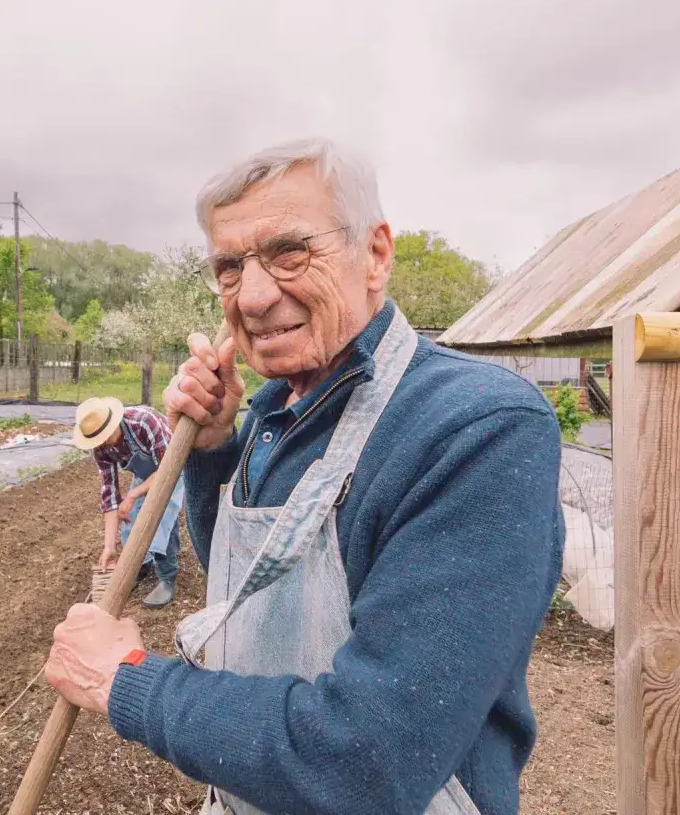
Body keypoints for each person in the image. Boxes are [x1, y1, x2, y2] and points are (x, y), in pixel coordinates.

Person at [45, 139, 564, 814]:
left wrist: (127, 680)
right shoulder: (274, 409)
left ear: (374, 254)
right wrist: (211, 451)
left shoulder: (474, 426)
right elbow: (247, 592)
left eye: (290, 251)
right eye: (229, 268)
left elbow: (366, 760)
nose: (254, 297)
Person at [72, 396, 183, 608]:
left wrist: (133, 495)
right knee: (130, 517)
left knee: (161, 515)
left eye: (105, 437)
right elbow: (110, 496)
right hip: (147, 473)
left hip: (173, 464)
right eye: (98, 441)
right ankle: (140, 565)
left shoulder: (144, 423)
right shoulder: (101, 448)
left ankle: (167, 576)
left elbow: (167, 471)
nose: (103, 443)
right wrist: (109, 547)